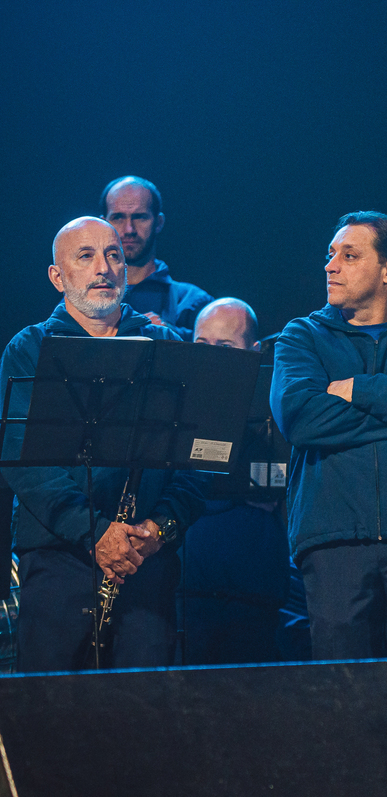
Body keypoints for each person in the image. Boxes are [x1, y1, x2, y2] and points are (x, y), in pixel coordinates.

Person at [0, 217, 206, 671]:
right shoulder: (30, 348)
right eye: (86, 256)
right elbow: (23, 463)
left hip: (146, 560)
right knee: (54, 708)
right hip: (58, 559)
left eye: (113, 255)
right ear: (58, 277)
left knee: (142, 708)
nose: (104, 268)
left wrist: (160, 528)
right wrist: (94, 532)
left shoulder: (167, 345)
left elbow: (199, 462)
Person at [270, 212, 387, 671]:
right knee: (345, 690)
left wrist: (359, 389)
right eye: (331, 254)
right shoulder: (302, 336)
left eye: (350, 256)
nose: (331, 265)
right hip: (332, 540)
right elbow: (302, 420)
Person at [184, 298, 291, 665]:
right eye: (202, 345)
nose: (212, 356)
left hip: (252, 566)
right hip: (190, 566)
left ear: (255, 351)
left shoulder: (274, 400)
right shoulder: (177, 397)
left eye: (225, 346)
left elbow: (276, 482)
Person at [100, 175, 214, 338]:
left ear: (159, 222)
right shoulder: (82, 299)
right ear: (104, 225)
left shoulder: (193, 302)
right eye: (118, 217)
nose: (129, 229)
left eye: (140, 217)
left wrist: (169, 335)